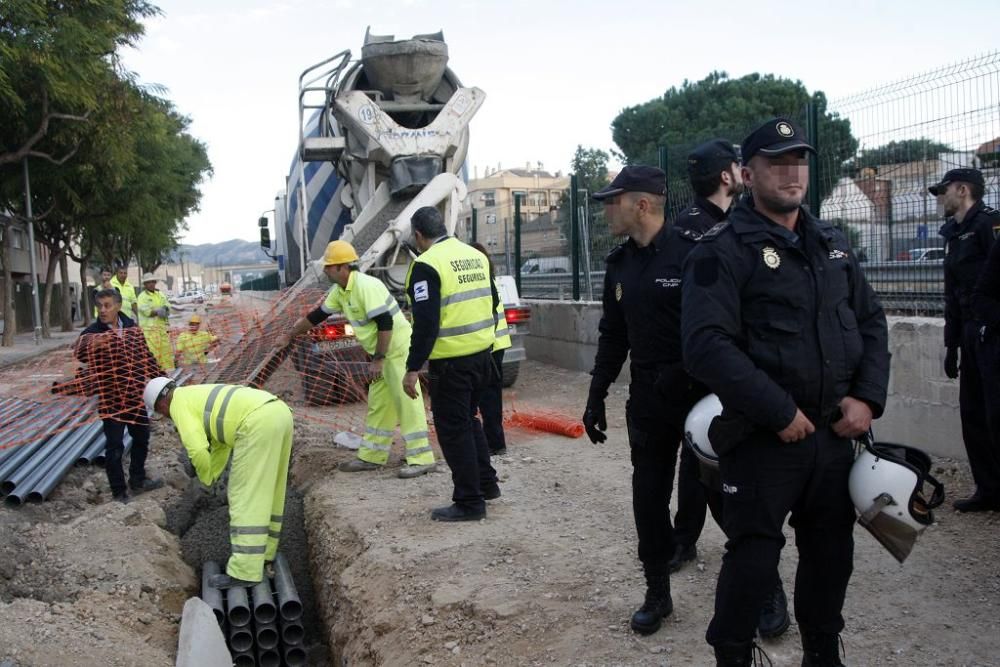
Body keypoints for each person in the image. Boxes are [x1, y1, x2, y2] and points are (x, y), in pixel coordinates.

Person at [681, 117, 890, 666]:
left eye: (799, 160)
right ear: (747, 175)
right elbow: (706, 346)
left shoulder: (832, 245)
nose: (792, 171)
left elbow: (870, 323)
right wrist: (778, 411)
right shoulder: (720, 250)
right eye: (776, 162)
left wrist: (867, 398)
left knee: (830, 555)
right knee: (752, 558)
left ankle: (822, 654)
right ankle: (733, 654)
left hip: (832, 437)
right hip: (763, 438)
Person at [583, 164, 693, 636]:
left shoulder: (693, 256)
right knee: (648, 497)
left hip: (700, 397)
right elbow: (613, 335)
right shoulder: (619, 265)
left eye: (614, 201)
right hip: (648, 398)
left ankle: (765, 588)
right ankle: (657, 592)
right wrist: (596, 394)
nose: (608, 209)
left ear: (641, 204)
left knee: (729, 497)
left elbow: (721, 332)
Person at [274, 240, 436, 478]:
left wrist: (378, 359)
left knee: (406, 402)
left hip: (397, 351)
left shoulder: (365, 286)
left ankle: (422, 458)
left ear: (342, 267)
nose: (325, 270)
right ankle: (372, 456)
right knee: (380, 405)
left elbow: (385, 323)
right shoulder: (341, 291)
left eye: (329, 266)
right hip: (383, 354)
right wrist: (288, 335)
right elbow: (317, 316)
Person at [401, 206, 501, 521]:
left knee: (454, 430)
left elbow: (426, 323)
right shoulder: (475, 255)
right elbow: (494, 301)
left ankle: (470, 502)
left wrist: (412, 367)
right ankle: (487, 485)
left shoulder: (427, 265)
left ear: (418, 235)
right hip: (483, 357)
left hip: (452, 364)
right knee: (469, 421)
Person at [144, 377, 292, 589]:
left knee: (244, 496)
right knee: (272, 489)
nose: (166, 417)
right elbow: (220, 445)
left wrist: (204, 477)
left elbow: (196, 449)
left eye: (162, 413)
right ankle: (266, 553)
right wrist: (212, 476)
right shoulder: (196, 395)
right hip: (279, 412)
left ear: (161, 404)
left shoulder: (179, 404)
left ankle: (245, 572)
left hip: (256, 424)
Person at [934, 168, 1000, 512]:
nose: (940, 198)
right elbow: (951, 294)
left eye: (943, 191)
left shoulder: (991, 224)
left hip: (994, 332)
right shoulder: (953, 233)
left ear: (962, 190)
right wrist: (951, 344)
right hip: (970, 334)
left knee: (996, 415)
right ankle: (989, 490)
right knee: (973, 415)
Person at [75, 288, 164, 503]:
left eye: (107, 305)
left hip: (134, 395)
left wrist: (161, 378)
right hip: (111, 398)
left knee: (141, 437)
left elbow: (146, 355)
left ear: (118, 306)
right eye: (99, 306)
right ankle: (119, 492)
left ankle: (138, 480)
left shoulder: (132, 328)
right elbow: (79, 352)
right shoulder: (92, 332)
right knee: (114, 447)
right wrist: (92, 344)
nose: (102, 310)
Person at [470, 242, 510, 456]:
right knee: (489, 396)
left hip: (490, 345)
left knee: (489, 397)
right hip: (494, 344)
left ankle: (495, 443)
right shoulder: (487, 276)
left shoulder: (482, 279)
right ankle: (493, 440)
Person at [137, 272, 174, 372]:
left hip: (162, 329)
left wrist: (165, 309)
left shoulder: (160, 294)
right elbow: (147, 312)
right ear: (145, 284)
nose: (151, 284)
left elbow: (167, 306)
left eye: (153, 282)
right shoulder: (142, 297)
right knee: (153, 354)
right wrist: (158, 311)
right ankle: (155, 374)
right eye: (149, 282)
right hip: (150, 333)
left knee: (166, 351)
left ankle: (168, 373)